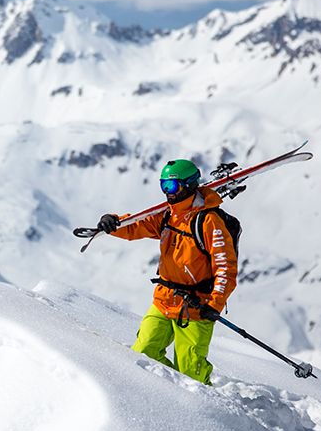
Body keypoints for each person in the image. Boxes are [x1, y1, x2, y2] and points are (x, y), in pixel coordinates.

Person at [97, 158, 237, 385]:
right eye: (163, 185)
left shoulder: (209, 221)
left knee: (191, 374)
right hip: (164, 299)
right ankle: (169, 392)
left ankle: (205, 408)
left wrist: (215, 304)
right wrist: (114, 222)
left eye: (172, 186)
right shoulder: (167, 214)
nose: (167, 193)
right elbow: (136, 226)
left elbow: (225, 267)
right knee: (142, 354)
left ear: (190, 185)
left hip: (195, 306)